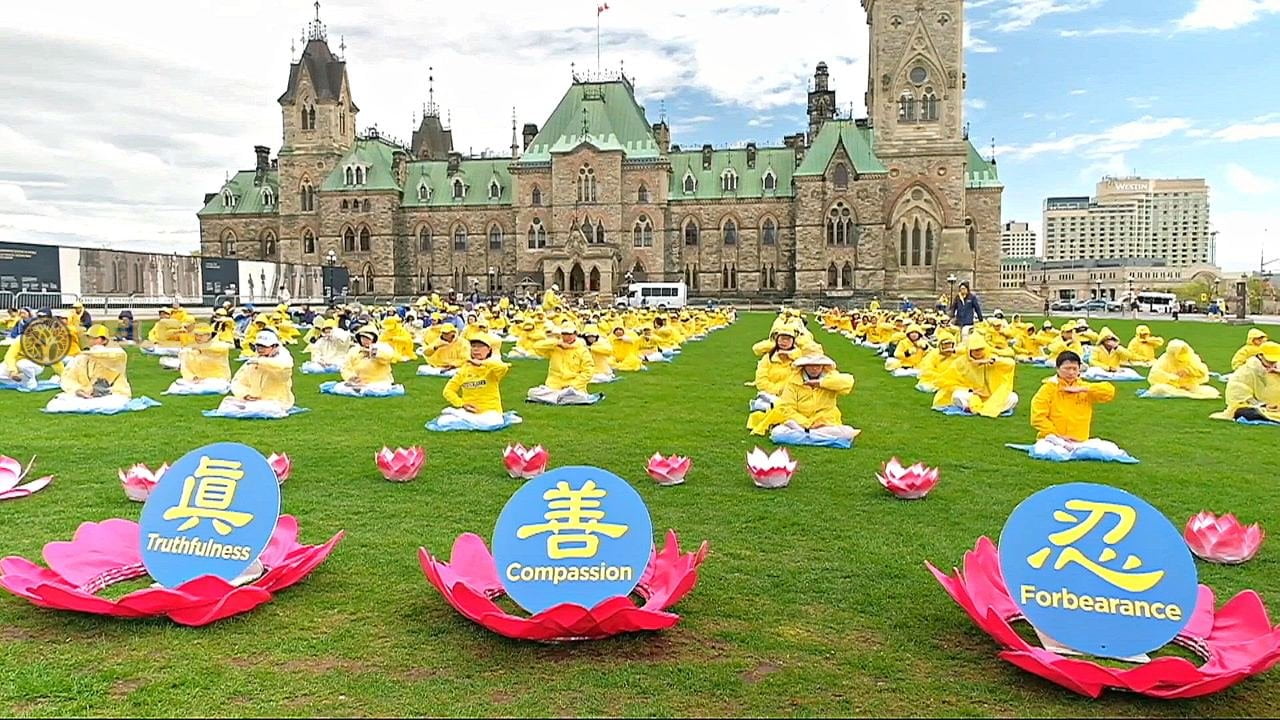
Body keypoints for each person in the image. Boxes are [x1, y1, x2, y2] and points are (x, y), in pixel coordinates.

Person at [747, 354, 859, 444]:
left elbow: (848, 382)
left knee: (847, 432)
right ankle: (826, 439)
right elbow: (787, 408)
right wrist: (807, 424)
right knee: (777, 434)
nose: (814, 368)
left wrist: (821, 383)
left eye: (818, 365)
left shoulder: (830, 378)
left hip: (825, 422)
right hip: (799, 423)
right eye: (810, 365)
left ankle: (809, 436)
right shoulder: (793, 382)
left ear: (823, 366)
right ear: (804, 366)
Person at [1031, 351, 1117, 442]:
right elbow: (1037, 417)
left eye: (1074, 369)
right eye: (1067, 369)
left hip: (1080, 441)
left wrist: (1084, 389)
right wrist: (1057, 435)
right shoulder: (1048, 389)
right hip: (1053, 439)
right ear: (1057, 369)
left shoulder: (1083, 387)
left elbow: (1109, 392)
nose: (1071, 373)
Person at [433, 333, 513, 430]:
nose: (476, 349)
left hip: (489, 412)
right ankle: (462, 416)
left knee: (494, 422)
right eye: (474, 346)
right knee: (443, 421)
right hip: (469, 411)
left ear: (488, 350)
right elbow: (448, 391)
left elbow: (503, 367)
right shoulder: (464, 370)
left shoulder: (491, 368)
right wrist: (462, 404)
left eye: (480, 346)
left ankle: (460, 417)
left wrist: (481, 363)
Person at [45, 325, 132, 413]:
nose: (91, 341)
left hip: (113, 393)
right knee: (56, 403)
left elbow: (114, 354)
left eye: (95, 338)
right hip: (88, 393)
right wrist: (78, 391)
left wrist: (92, 352)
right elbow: (69, 377)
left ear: (104, 340)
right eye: (90, 338)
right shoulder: (83, 358)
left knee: (114, 403)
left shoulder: (116, 356)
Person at [932, 334, 1018, 417]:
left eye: (981, 349)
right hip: (971, 395)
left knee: (1013, 397)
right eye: (975, 350)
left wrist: (992, 361)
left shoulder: (991, 359)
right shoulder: (961, 362)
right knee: (957, 395)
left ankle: (981, 409)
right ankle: (975, 408)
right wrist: (971, 391)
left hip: (991, 396)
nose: (978, 352)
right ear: (969, 350)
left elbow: (1011, 363)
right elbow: (947, 381)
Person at [216, 331, 296, 418]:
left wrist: (261, 362)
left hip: (276, 400)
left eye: (264, 346)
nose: (260, 349)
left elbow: (284, 366)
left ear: (274, 346)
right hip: (252, 399)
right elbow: (238, 381)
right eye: (258, 346)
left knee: (264, 408)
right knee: (227, 404)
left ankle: (249, 409)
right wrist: (246, 395)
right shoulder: (253, 362)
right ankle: (248, 408)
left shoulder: (282, 359)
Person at [526, 324, 600, 405]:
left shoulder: (582, 350)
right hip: (553, 386)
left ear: (575, 334)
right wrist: (557, 343)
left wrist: (573, 385)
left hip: (572, 388)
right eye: (564, 334)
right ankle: (560, 399)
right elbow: (536, 347)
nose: (566, 337)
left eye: (569, 334)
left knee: (577, 396)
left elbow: (588, 371)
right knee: (532, 392)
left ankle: (555, 399)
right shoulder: (555, 348)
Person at [1214, 342, 1280, 423]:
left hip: (1276, 408)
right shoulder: (1246, 372)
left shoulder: (1276, 368)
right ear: (1260, 356)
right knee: (1245, 412)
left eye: (1274, 362)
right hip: (1256, 407)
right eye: (1269, 362)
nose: (1272, 365)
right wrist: (1263, 405)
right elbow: (1237, 393)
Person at [328, 326, 399, 396]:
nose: (365, 341)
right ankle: (358, 389)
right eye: (363, 338)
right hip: (359, 382)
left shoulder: (382, 347)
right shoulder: (354, 350)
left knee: (376, 389)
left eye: (368, 338)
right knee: (340, 387)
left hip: (378, 382)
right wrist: (352, 378)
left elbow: (388, 356)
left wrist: (372, 352)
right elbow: (346, 367)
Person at [165, 323, 232, 395]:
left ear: (209, 335)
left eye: (201, 335)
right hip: (197, 381)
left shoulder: (219, 346)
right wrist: (193, 378)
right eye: (196, 335)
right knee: (179, 382)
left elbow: (221, 348)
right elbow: (185, 367)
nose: (198, 337)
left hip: (217, 379)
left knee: (218, 385)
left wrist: (199, 348)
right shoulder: (190, 349)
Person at [1144, 339, 1220, 400]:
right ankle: (1185, 394)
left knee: (1211, 391)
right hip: (1170, 386)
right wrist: (1174, 377)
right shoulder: (1165, 359)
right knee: (1159, 389)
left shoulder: (1191, 357)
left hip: (1189, 386)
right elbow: (1154, 375)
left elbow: (1202, 372)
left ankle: (1185, 393)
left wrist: (1189, 371)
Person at [749, 327, 800, 412]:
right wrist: (775, 390)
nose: (784, 342)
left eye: (788, 339)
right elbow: (760, 380)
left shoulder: (799, 359)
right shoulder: (768, 357)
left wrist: (790, 354)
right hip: (770, 393)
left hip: (791, 393)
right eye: (781, 339)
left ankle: (770, 405)